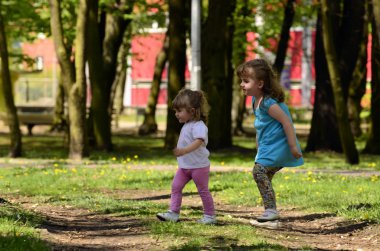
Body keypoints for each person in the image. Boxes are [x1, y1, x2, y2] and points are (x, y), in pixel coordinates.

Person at [237, 58, 304, 222]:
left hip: (280, 146)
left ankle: (271, 210)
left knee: (259, 172)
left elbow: (286, 122)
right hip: (268, 147)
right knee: (263, 174)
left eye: (246, 81)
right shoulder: (255, 100)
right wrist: (258, 145)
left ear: (259, 84)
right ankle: (269, 209)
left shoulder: (268, 103)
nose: (241, 84)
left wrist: (293, 147)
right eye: (241, 80)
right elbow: (261, 126)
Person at [156, 88, 216, 224]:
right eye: (176, 111)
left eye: (179, 111)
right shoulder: (187, 124)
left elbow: (199, 141)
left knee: (202, 190)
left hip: (199, 167)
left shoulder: (199, 126)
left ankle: (210, 216)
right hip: (184, 167)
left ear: (192, 111)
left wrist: (184, 151)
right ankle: (173, 212)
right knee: (176, 187)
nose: (176, 114)